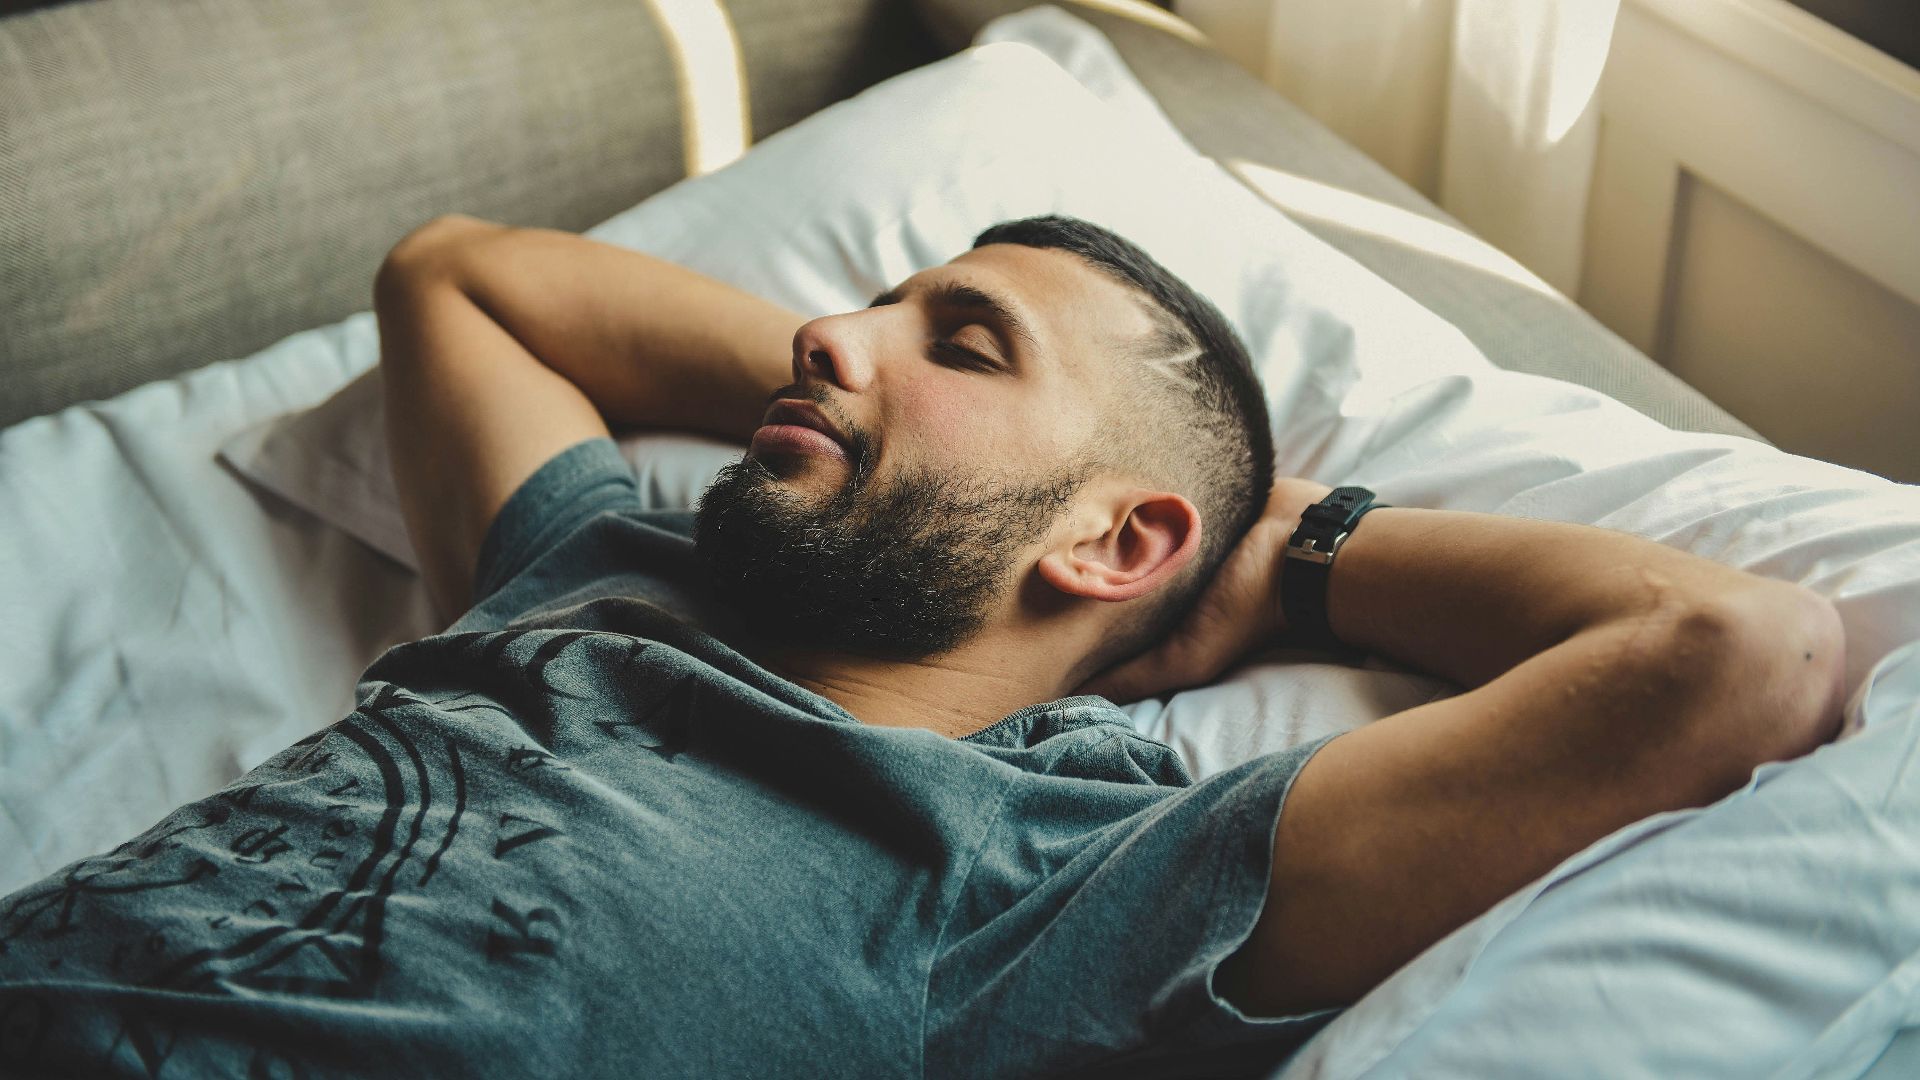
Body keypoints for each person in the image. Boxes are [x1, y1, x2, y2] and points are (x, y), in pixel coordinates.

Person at [0, 214, 1844, 1078]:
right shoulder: (598, 565)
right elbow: (457, 273)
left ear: (1120, 539)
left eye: (962, 342)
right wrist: (862, 393)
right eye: (869, 303)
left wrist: (1294, 568)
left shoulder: (1068, 871)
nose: (825, 331)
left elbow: (1735, 647)